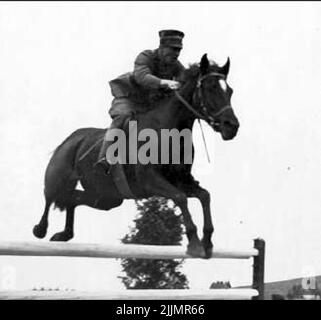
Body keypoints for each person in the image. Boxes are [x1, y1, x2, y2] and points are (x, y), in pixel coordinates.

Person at [95, 29, 186, 172]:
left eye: (179, 50)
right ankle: (105, 157)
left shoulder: (176, 65)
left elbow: (185, 80)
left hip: (150, 103)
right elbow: (142, 76)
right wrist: (164, 82)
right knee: (123, 117)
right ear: (162, 48)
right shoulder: (145, 56)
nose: (176, 53)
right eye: (173, 49)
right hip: (130, 98)